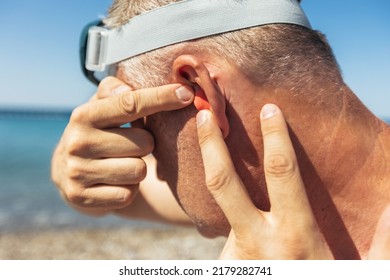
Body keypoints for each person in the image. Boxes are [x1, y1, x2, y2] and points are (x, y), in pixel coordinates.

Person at [51, 0, 390, 259]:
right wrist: (71, 169)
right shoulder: (262, 213)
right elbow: (120, 198)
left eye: (144, 122)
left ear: (198, 92)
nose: (151, 160)